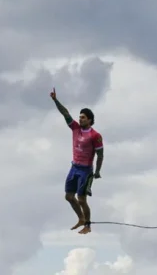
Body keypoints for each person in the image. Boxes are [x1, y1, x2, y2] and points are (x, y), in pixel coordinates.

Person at [50, 87, 104, 235]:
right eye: (80, 117)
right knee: (68, 196)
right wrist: (55, 100)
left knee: (81, 199)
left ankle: (87, 225)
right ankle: (80, 218)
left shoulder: (95, 135)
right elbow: (65, 113)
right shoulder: (75, 128)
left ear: (90, 120)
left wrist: (97, 172)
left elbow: (100, 154)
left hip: (86, 171)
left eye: (83, 118)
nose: (80, 119)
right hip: (74, 167)